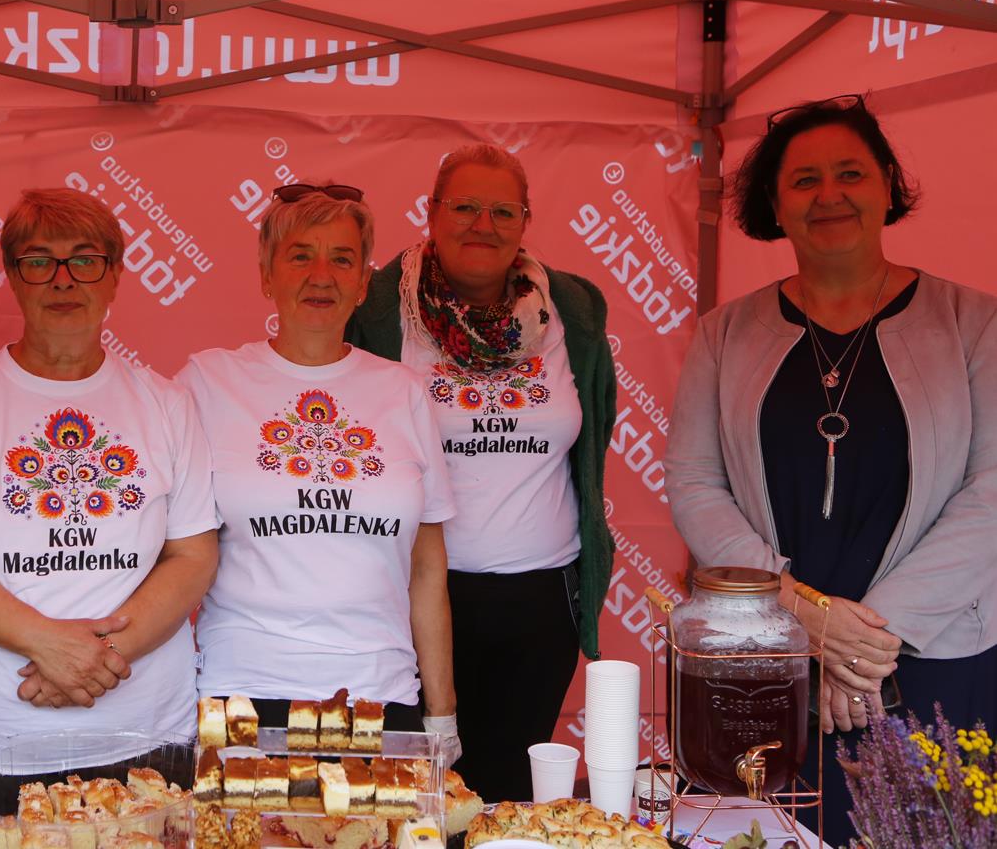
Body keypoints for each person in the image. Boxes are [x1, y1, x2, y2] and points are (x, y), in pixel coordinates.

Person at [665, 94, 997, 846]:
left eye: (850, 173)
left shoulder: (974, 322)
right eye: (804, 180)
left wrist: (863, 644)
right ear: (775, 204)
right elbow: (693, 481)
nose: (830, 195)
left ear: (886, 185)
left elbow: (992, 494)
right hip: (763, 661)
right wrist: (800, 618)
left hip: (928, 654)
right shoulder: (724, 333)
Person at [0, 187, 219, 780]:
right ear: (13, 276)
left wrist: (97, 658)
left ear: (115, 275)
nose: (64, 280)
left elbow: (192, 556)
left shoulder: (168, 404)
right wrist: (46, 643)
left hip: (141, 732)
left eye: (85, 260)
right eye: (39, 261)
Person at [346, 145, 618, 803]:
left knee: (507, 798)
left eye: (503, 211)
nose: (483, 225)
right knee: (414, 798)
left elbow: (594, 431)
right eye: (464, 206)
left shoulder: (573, 307)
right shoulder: (377, 307)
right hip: (414, 597)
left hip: (542, 602)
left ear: (526, 222)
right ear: (431, 212)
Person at [175, 183, 459, 758]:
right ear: (266, 275)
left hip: (381, 692)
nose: (321, 275)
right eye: (300, 255)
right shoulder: (207, 383)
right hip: (241, 692)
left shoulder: (404, 392)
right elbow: (168, 548)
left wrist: (442, 714)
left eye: (342, 259)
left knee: (382, 821)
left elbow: (428, 568)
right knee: (241, 821)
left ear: (363, 284)